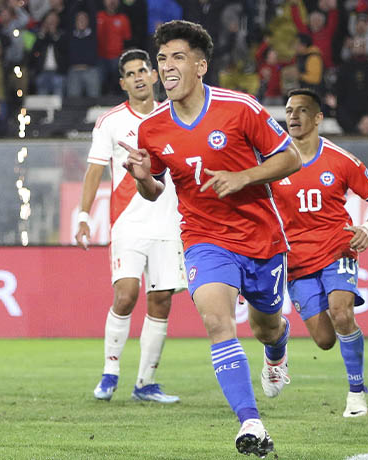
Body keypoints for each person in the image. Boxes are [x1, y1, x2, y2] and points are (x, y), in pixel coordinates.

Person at [119, 20, 301, 457]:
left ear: (201, 65)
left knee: (266, 325)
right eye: (162, 59)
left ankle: (277, 351)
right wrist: (144, 179)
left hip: (260, 236)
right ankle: (250, 422)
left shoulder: (240, 108)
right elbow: (156, 189)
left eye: (177, 57)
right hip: (203, 237)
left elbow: (291, 158)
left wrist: (244, 177)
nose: (166, 67)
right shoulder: (153, 128)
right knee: (217, 321)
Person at [75, 49, 185, 404]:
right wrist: (82, 216)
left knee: (161, 300)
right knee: (125, 294)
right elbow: (94, 170)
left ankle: (145, 383)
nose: (139, 77)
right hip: (128, 223)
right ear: (122, 83)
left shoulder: (177, 114)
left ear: (154, 75)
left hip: (169, 223)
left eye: (143, 70)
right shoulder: (110, 122)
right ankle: (110, 372)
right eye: (131, 73)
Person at [275, 88, 368, 417]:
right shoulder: (274, 162)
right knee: (325, 340)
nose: (293, 116)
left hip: (337, 251)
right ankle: (278, 337)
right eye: (288, 110)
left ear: (318, 118)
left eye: (301, 110)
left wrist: (367, 228)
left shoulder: (340, 159)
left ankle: (356, 393)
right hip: (296, 262)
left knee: (342, 314)